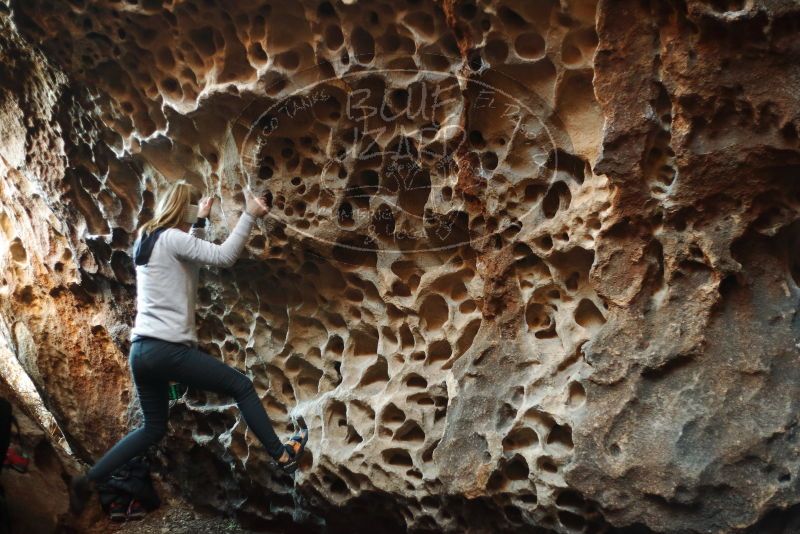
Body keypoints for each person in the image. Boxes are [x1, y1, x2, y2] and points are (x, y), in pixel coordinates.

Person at [68, 180, 308, 515]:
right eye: (192, 209)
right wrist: (250, 215)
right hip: (168, 351)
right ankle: (283, 456)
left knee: (152, 428)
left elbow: (186, 260)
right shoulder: (172, 238)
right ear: (182, 210)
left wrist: (200, 222)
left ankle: (89, 480)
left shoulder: (146, 241)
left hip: (142, 352)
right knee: (241, 386)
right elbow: (223, 257)